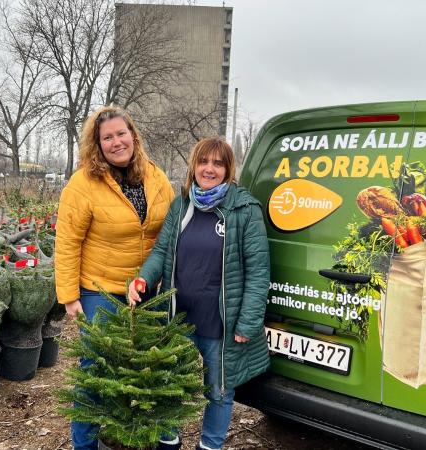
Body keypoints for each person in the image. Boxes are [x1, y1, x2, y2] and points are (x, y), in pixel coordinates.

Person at [128, 137, 271, 450]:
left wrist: (247, 322)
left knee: (219, 391)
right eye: (203, 162)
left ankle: (210, 445)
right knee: (169, 384)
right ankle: (169, 441)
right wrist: (143, 280)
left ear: (228, 169)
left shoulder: (244, 210)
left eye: (217, 163)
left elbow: (259, 271)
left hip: (220, 323)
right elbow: (162, 250)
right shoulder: (182, 204)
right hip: (178, 317)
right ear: (194, 165)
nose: (209, 169)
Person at [55, 105, 175, 450]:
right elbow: (67, 242)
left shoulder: (155, 176)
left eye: (122, 133)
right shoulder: (83, 184)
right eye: (107, 137)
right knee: (96, 371)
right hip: (100, 292)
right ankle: (86, 444)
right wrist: (69, 296)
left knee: (150, 370)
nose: (117, 141)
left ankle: (147, 437)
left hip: (148, 289)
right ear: (97, 144)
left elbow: (171, 229)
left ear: (133, 135)